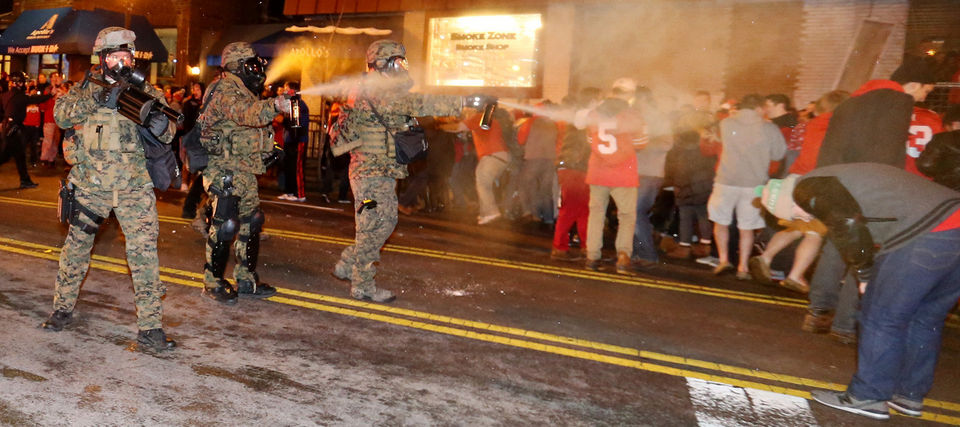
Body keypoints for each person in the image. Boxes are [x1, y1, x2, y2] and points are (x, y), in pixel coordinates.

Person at [757, 164, 960, 420]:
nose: (805, 219)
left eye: (797, 214)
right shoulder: (836, 176)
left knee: (881, 316)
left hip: (928, 231)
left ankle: (868, 395)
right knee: (925, 317)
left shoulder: (808, 188)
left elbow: (847, 223)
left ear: (790, 200)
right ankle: (909, 394)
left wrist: (864, 273)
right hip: (952, 221)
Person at [42, 27, 177, 351]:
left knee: (144, 256)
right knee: (76, 250)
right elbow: (61, 115)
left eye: (127, 56)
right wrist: (98, 98)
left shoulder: (145, 91)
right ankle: (62, 309)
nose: (122, 62)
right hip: (91, 186)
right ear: (102, 59)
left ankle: (150, 328)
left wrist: (162, 127)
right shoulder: (85, 88)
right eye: (116, 56)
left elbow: (170, 132)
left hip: (133, 187)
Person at [331, 39, 474, 302]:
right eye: (397, 62)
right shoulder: (373, 90)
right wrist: (464, 100)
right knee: (371, 226)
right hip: (368, 174)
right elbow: (418, 104)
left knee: (385, 223)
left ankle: (347, 264)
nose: (402, 67)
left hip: (382, 172)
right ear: (382, 63)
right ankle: (362, 285)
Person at [198, 42, 291, 304]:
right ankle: (212, 282)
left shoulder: (243, 90)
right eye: (250, 63)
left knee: (252, 223)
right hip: (225, 170)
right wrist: (276, 105)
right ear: (238, 66)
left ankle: (246, 279)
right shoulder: (224, 88)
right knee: (224, 227)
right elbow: (247, 115)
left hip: (244, 170)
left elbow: (246, 129)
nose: (257, 69)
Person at [707, 94, 786, 279]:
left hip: (726, 180)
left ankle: (724, 260)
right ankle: (743, 267)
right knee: (747, 227)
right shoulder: (769, 128)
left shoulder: (726, 124)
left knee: (721, 221)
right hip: (754, 183)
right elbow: (778, 153)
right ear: (758, 108)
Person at [576, 78, 646, 273]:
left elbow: (590, 139)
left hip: (598, 171)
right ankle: (623, 256)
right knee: (626, 216)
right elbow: (641, 142)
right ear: (629, 94)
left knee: (596, 214)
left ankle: (592, 256)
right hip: (624, 173)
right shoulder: (632, 114)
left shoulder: (595, 113)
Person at [0, 71, 50, 188]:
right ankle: (25, 180)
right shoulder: (20, 97)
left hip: (9, 129)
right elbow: (36, 99)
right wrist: (50, 95)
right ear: (19, 83)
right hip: (13, 130)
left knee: (19, 156)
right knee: (6, 156)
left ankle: (25, 180)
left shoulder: (5, 95)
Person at [278, 81, 309, 202]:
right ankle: (289, 191)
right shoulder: (291, 103)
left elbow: (296, 124)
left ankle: (300, 194)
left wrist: (283, 120)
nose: (284, 92)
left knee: (297, 168)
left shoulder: (298, 104)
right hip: (290, 140)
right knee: (289, 167)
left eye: (287, 89)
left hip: (298, 141)